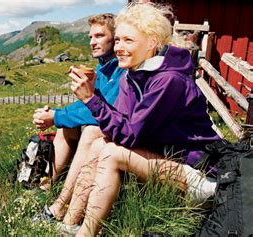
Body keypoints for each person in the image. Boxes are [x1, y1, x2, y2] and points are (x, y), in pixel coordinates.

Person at [62, 3, 221, 236]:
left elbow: (129, 134)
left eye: (128, 40)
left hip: (199, 174)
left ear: (152, 42)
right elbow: (119, 124)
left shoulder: (169, 80)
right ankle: (69, 222)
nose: (119, 48)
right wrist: (93, 97)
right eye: (117, 40)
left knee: (111, 152)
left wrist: (91, 99)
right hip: (166, 160)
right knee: (97, 141)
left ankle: (86, 234)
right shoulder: (133, 75)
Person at [32, 13, 126, 220]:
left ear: (116, 37)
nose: (92, 42)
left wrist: (56, 116)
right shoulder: (103, 67)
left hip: (126, 134)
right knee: (67, 126)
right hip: (115, 127)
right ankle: (45, 189)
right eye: (90, 37)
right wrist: (55, 115)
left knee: (92, 130)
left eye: (99, 36)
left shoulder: (122, 68)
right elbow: (86, 104)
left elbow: (103, 110)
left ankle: (60, 207)